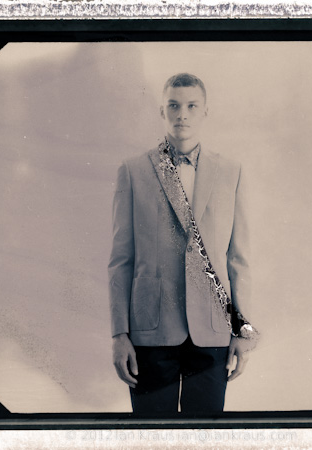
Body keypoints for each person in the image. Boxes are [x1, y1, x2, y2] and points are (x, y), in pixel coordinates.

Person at [108, 73, 256, 414]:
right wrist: (119, 334)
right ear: (162, 111)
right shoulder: (133, 171)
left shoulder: (231, 172)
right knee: (150, 434)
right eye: (173, 106)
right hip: (150, 330)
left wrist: (243, 333)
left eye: (191, 106)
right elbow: (121, 260)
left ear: (205, 112)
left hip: (214, 330)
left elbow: (239, 260)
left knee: (204, 434)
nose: (182, 115)